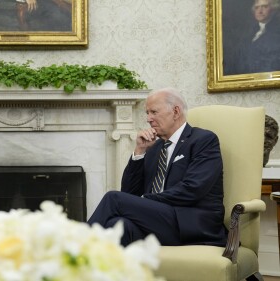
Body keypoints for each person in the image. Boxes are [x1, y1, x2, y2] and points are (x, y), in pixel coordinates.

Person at [87, 87, 227, 247]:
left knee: (113, 198)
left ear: (175, 112)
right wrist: (139, 152)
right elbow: (128, 193)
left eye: (153, 112)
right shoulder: (153, 147)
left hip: (190, 223)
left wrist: (146, 200)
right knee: (117, 224)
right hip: (158, 222)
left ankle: (74, 251)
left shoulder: (203, 140)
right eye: (147, 113)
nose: (148, 118)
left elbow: (192, 190)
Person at [225, 0, 280, 75]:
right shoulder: (250, 33)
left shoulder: (277, 32)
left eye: (265, 6)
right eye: (256, 8)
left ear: (274, 9)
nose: (260, 11)